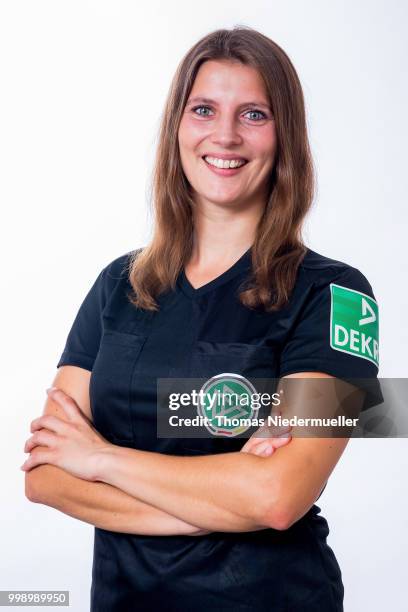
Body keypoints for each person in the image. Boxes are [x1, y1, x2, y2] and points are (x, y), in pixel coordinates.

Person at [22, 26, 382, 611]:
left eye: (255, 114)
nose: (225, 134)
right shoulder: (119, 284)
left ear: (284, 136)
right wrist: (216, 507)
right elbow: (43, 475)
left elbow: (280, 496)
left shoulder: (341, 296)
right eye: (204, 109)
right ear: (178, 128)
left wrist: (101, 459)